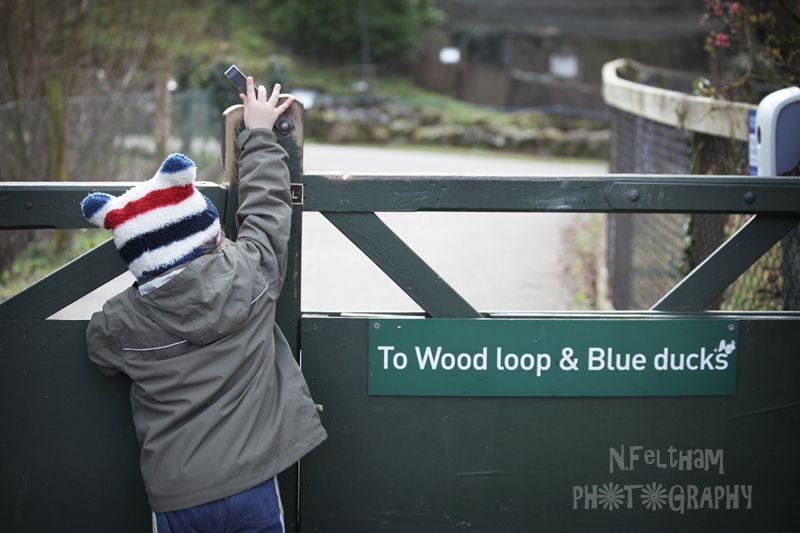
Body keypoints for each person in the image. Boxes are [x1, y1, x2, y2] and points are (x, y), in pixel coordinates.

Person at [80, 77, 326, 532]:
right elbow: (268, 212)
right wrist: (259, 134)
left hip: (177, 495)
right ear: (211, 236)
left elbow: (100, 350)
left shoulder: (122, 323)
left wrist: (148, 287)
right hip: (252, 482)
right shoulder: (251, 273)